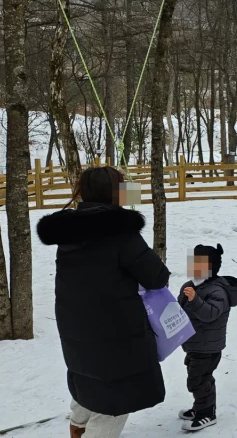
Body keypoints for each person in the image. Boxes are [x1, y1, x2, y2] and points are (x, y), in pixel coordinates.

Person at [37, 166, 171, 438]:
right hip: (115, 333)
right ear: (117, 193)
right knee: (115, 400)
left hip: (75, 325)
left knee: (87, 379)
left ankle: (77, 428)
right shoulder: (121, 233)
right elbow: (157, 276)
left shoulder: (68, 231)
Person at [177, 244, 237, 432]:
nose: (193, 267)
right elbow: (178, 309)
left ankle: (207, 413)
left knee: (198, 379)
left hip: (208, 346)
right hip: (193, 343)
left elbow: (210, 314)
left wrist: (194, 300)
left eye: (199, 263)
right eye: (193, 262)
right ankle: (201, 407)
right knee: (197, 377)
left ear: (210, 268)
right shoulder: (189, 286)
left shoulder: (217, 291)